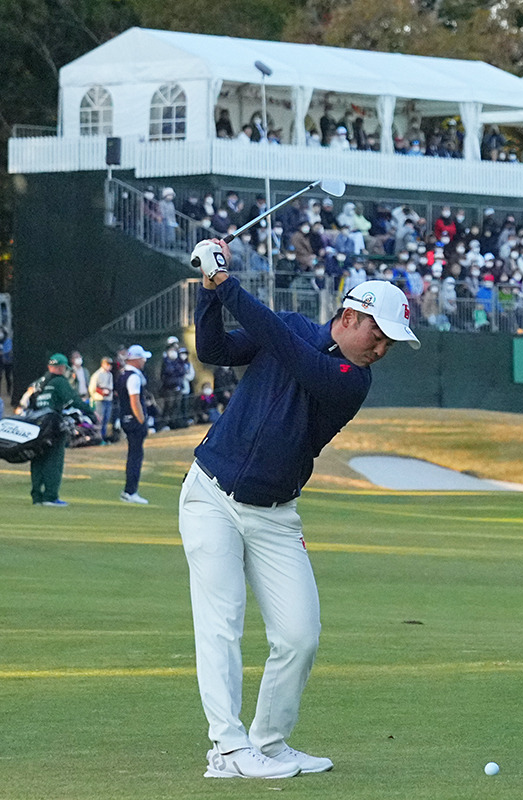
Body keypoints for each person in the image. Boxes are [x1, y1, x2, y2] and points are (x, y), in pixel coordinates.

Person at [182, 238, 420, 779]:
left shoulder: (351, 381)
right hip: (211, 495)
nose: (380, 350)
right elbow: (215, 351)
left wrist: (228, 285)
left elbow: (294, 357)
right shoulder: (287, 326)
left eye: (389, 344)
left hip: (275, 514)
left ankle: (268, 741)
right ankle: (227, 748)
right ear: (350, 316)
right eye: (378, 335)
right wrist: (209, 292)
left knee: (299, 634)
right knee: (221, 621)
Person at [27, 353, 94, 507]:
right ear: (62, 367)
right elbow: (73, 400)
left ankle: (37, 496)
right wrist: (90, 412)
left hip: (36, 425)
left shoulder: (39, 382)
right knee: (54, 459)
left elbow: (28, 402)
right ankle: (50, 496)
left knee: (38, 459)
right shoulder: (59, 382)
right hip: (53, 425)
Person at [115, 344, 152, 504]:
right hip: (134, 421)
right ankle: (130, 491)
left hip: (125, 419)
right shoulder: (134, 377)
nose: (144, 361)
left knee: (133, 455)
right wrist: (142, 420)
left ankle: (130, 491)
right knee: (136, 457)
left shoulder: (123, 374)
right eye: (142, 358)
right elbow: (134, 401)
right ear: (136, 359)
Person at [88, 357, 115, 442]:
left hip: (108, 399)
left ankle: (104, 436)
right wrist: (101, 392)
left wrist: (108, 392)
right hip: (99, 400)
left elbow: (110, 387)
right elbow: (92, 388)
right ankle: (98, 438)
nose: (109, 366)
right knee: (100, 419)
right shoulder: (97, 374)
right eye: (107, 364)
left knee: (106, 419)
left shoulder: (110, 375)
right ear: (103, 364)